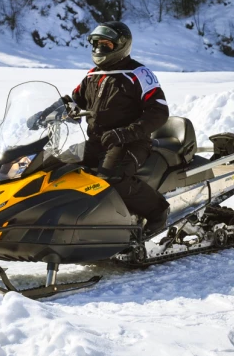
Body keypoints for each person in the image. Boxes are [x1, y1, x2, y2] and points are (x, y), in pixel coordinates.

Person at [67, 21, 170, 235]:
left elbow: (158, 111)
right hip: (98, 141)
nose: (99, 49)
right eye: (96, 44)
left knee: (111, 178)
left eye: (106, 45)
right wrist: (49, 112)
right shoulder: (92, 75)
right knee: (61, 167)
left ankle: (158, 211)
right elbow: (75, 101)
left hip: (130, 142)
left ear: (121, 45)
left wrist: (126, 133)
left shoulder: (138, 74)